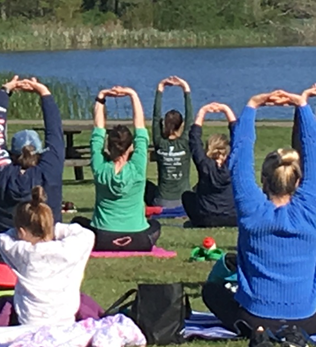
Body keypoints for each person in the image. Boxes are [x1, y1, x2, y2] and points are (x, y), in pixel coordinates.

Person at [202, 90, 316, 347]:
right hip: (307, 318)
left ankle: (259, 334)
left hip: (254, 316)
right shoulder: (309, 206)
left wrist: (251, 106)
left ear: (263, 179)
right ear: (298, 182)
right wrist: (302, 106)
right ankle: (295, 333)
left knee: (212, 292)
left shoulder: (251, 208)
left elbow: (239, 161)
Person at [0, 79, 64, 288]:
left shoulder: (1, 171)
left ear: (11, 154)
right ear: (40, 153)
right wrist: (44, 93)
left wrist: (4, 92)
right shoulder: (49, 169)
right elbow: (55, 134)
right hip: (44, 274)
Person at [0, 186, 100, 329]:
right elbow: (86, 234)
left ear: (20, 231)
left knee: (4, 304)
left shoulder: (21, 251)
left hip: (29, 320)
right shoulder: (68, 249)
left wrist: (22, 231)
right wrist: (52, 229)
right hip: (65, 319)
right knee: (84, 301)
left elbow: (3, 238)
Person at [87, 86, 160, 251]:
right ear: (130, 147)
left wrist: (101, 97)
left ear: (109, 145)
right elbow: (141, 130)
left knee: (78, 223)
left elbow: (98, 132)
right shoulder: (137, 167)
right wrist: (132, 94)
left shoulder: (100, 168)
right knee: (155, 225)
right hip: (138, 239)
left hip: (103, 238)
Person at [181, 104, 239, 228]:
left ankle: (194, 222)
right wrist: (226, 110)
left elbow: (194, 140)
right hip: (232, 218)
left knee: (187, 196)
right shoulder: (232, 164)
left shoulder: (204, 164)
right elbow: (239, 139)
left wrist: (202, 112)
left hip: (206, 218)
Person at [148, 75, 194, 210]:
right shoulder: (185, 141)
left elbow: (156, 118)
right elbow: (190, 117)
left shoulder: (159, 142)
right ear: (181, 125)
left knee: (145, 185)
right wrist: (185, 88)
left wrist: (160, 89)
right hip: (183, 202)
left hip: (161, 201)